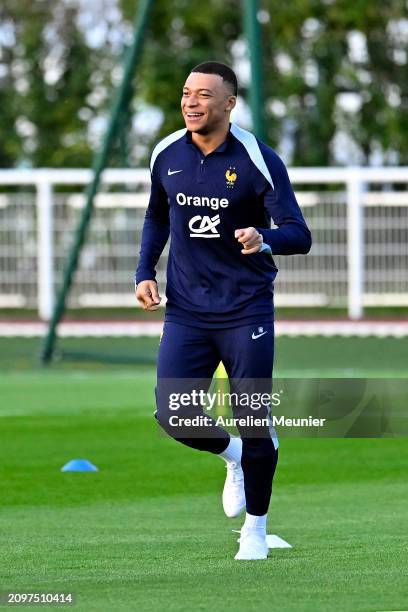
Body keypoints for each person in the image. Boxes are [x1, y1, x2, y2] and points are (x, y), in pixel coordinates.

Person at [135, 61, 312, 560]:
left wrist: (265, 237)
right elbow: (156, 215)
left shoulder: (258, 158)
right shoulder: (166, 153)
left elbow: (299, 234)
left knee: (252, 419)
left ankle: (255, 529)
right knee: (174, 414)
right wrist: (144, 272)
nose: (191, 102)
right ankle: (231, 455)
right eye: (186, 93)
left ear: (229, 104)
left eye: (204, 95)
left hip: (246, 310)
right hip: (187, 311)